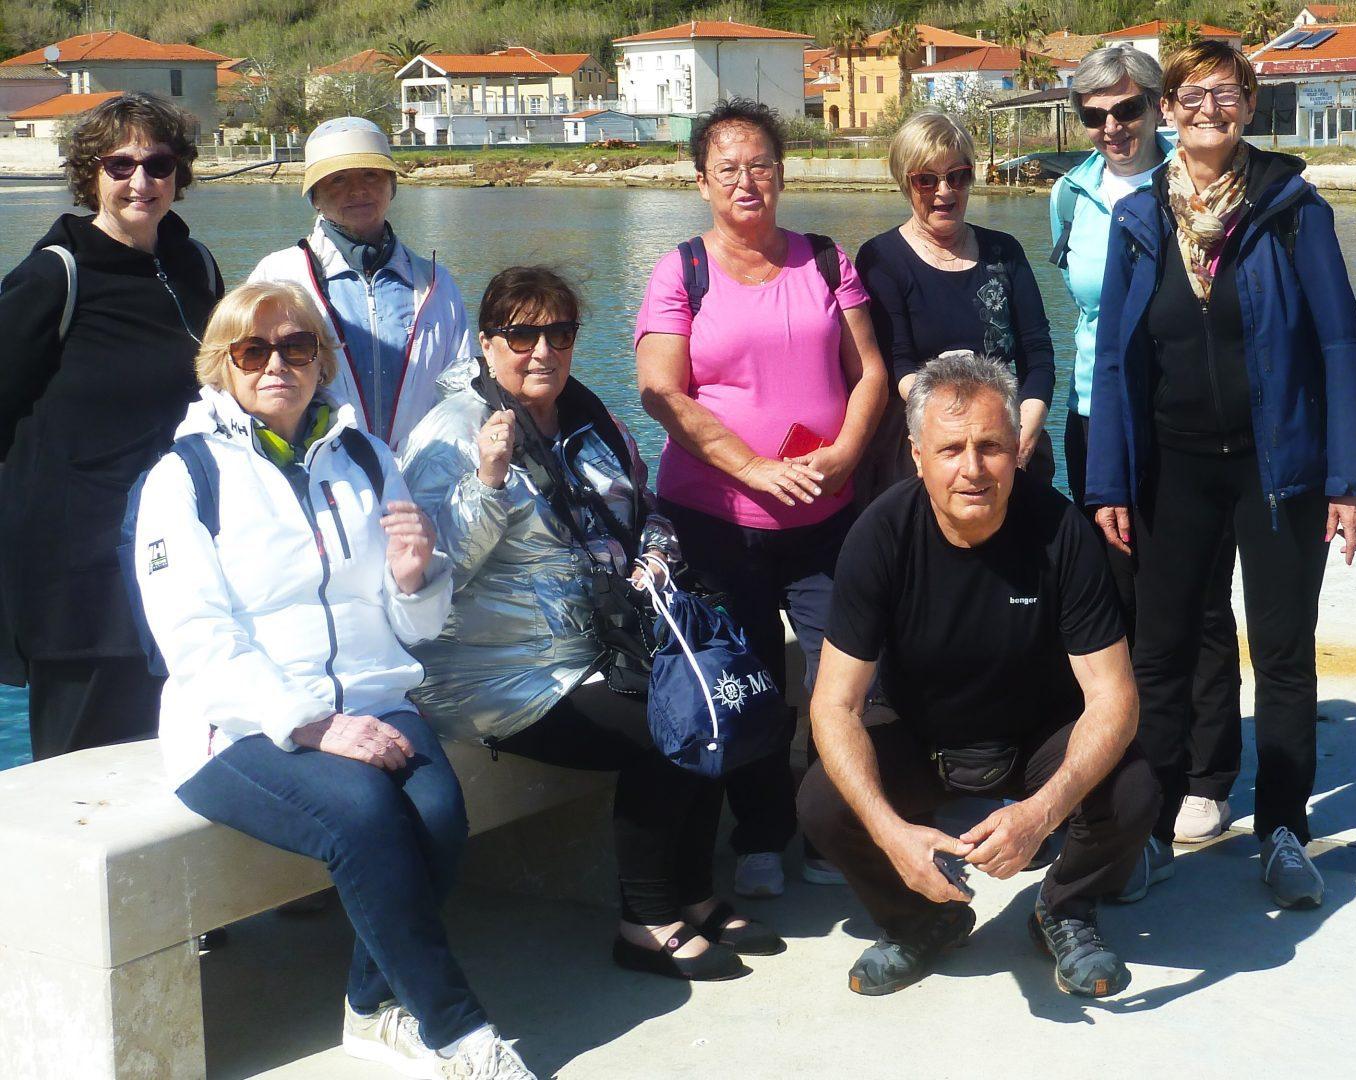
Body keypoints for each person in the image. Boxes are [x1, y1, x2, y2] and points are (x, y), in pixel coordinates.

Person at [127, 281, 535, 1079]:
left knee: (440, 817)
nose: (275, 365)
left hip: (373, 697)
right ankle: (460, 1033)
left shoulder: (366, 458)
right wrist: (311, 724)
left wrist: (417, 579)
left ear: (321, 361)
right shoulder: (185, 477)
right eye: (253, 350)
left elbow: (413, 624)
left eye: (296, 347)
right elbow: (195, 640)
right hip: (237, 726)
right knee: (364, 815)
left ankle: (369, 1010)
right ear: (222, 365)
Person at [404, 266, 780, 981]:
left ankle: (693, 893)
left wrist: (657, 557)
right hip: (499, 672)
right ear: (486, 343)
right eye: (522, 336)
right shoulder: (451, 432)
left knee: (708, 704)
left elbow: (645, 507)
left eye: (560, 333)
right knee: (665, 731)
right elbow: (428, 575)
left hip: (600, 646)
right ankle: (645, 921)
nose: (543, 351)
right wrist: (488, 482)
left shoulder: (586, 414)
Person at [1086, 40, 1356, 910]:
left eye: (1225, 93)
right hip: (1172, 469)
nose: (1207, 109)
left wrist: (1348, 479)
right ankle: (1151, 829)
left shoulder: (1293, 210)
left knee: (1282, 652)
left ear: (1249, 104)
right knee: (1162, 653)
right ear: (1167, 109)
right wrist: (1109, 484)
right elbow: (1111, 359)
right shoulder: (1140, 219)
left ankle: (1283, 830)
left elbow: (1339, 342)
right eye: (1190, 94)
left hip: (1278, 469)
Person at [799, 352, 1156, 999]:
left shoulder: (1061, 533)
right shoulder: (880, 536)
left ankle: (1064, 910)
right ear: (917, 456)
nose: (972, 468)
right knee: (823, 800)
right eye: (950, 448)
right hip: (922, 734)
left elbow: (1114, 698)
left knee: (1132, 788)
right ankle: (920, 921)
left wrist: (1041, 814)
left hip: (1035, 737)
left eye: (990, 447)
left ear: (1017, 449)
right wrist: (892, 834)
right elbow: (834, 705)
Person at [637, 98, 889, 899]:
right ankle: (760, 836)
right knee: (746, 682)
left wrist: (845, 455)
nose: (746, 181)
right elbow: (660, 392)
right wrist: (750, 468)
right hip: (715, 522)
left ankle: (830, 827)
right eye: (728, 169)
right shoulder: (682, 272)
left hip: (824, 519)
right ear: (702, 181)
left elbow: (870, 372)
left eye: (761, 166)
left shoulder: (826, 260)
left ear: (782, 174)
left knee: (844, 679)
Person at [1050, 46, 1243, 847]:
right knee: (1118, 592)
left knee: (1200, 597)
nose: (1112, 128)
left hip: (1177, 418)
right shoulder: (1069, 194)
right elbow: (1086, 313)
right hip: (1095, 417)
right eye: (1093, 116)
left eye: (1127, 110)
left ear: (1157, 107)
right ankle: (1134, 755)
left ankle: (1208, 772)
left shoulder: (1191, 181)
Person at [0, 92, 223, 760]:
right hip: (78, 581)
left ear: (179, 174)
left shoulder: (195, 266)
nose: (140, 181)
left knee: (176, 763)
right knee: (77, 776)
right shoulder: (55, 275)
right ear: (89, 174)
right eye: (119, 164)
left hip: (178, 559)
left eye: (158, 164)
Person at [856, 111, 1057, 493]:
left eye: (957, 176)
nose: (944, 191)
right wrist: (956, 429)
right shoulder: (881, 258)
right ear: (905, 182)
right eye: (926, 180)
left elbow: (1038, 354)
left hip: (1007, 441)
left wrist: (1022, 433)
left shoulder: (1005, 252)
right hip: (922, 451)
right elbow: (897, 365)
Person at [250, 116, 471, 449]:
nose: (358, 191)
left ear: (392, 186)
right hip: (320, 471)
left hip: (420, 475)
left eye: (371, 174)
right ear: (314, 196)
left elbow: (461, 392)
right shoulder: (277, 277)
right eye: (338, 179)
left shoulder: (436, 284)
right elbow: (247, 383)